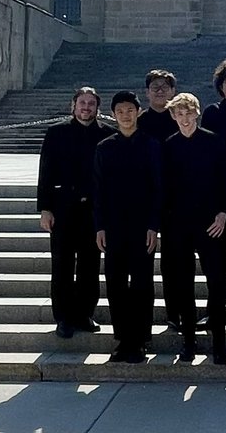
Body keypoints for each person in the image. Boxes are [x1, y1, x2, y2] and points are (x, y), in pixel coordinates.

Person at [93, 89, 164, 364]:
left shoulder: (151, 144)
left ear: (138, 113)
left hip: (142, 225)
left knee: (142, 283)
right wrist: (99, 226)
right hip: (113, 226)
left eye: (130, 110)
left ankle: (140, 339)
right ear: (114, 115)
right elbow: (98, 189)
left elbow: (159, 187)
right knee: (115, 283)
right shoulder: (104, 147)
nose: (125, 115)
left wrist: (153, 225)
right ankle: (123, 339)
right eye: (120, 111)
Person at [37, 86, 112, 339]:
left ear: (97, 108)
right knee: (62, 264)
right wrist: (45, 208)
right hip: (63, 208)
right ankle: (64, 317)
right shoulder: (56, 132)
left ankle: (84, 313)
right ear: (74, 105)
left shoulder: (107, 135)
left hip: (93, 209)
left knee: (90, 264)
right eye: (82, 103)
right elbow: (45, 172)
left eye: (91, 103)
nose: (86, 107)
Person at [163, 92, 226, 364]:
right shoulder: (169, 145)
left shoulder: (214, 142)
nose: (185, 118)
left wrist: (224, 213)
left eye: (189, 112)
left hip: (211, 224)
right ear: (173, 116)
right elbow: (164, 188)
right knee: (183, 286)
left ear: (197, 113)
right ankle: (188, 343)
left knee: (217, 284)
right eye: (179, 113)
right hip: (179, 226)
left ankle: (220, 345)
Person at [138, 68, 180, 330]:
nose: (160, 91)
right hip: (145, 200)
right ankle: (142, 317)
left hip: (175, 200)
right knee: (143, 261)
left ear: (173, 92)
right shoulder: (139, 121)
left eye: (165, 87)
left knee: (173, 262)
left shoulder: (181, 119)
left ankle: (175, 313)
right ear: (147, 92)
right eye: (155, 87)